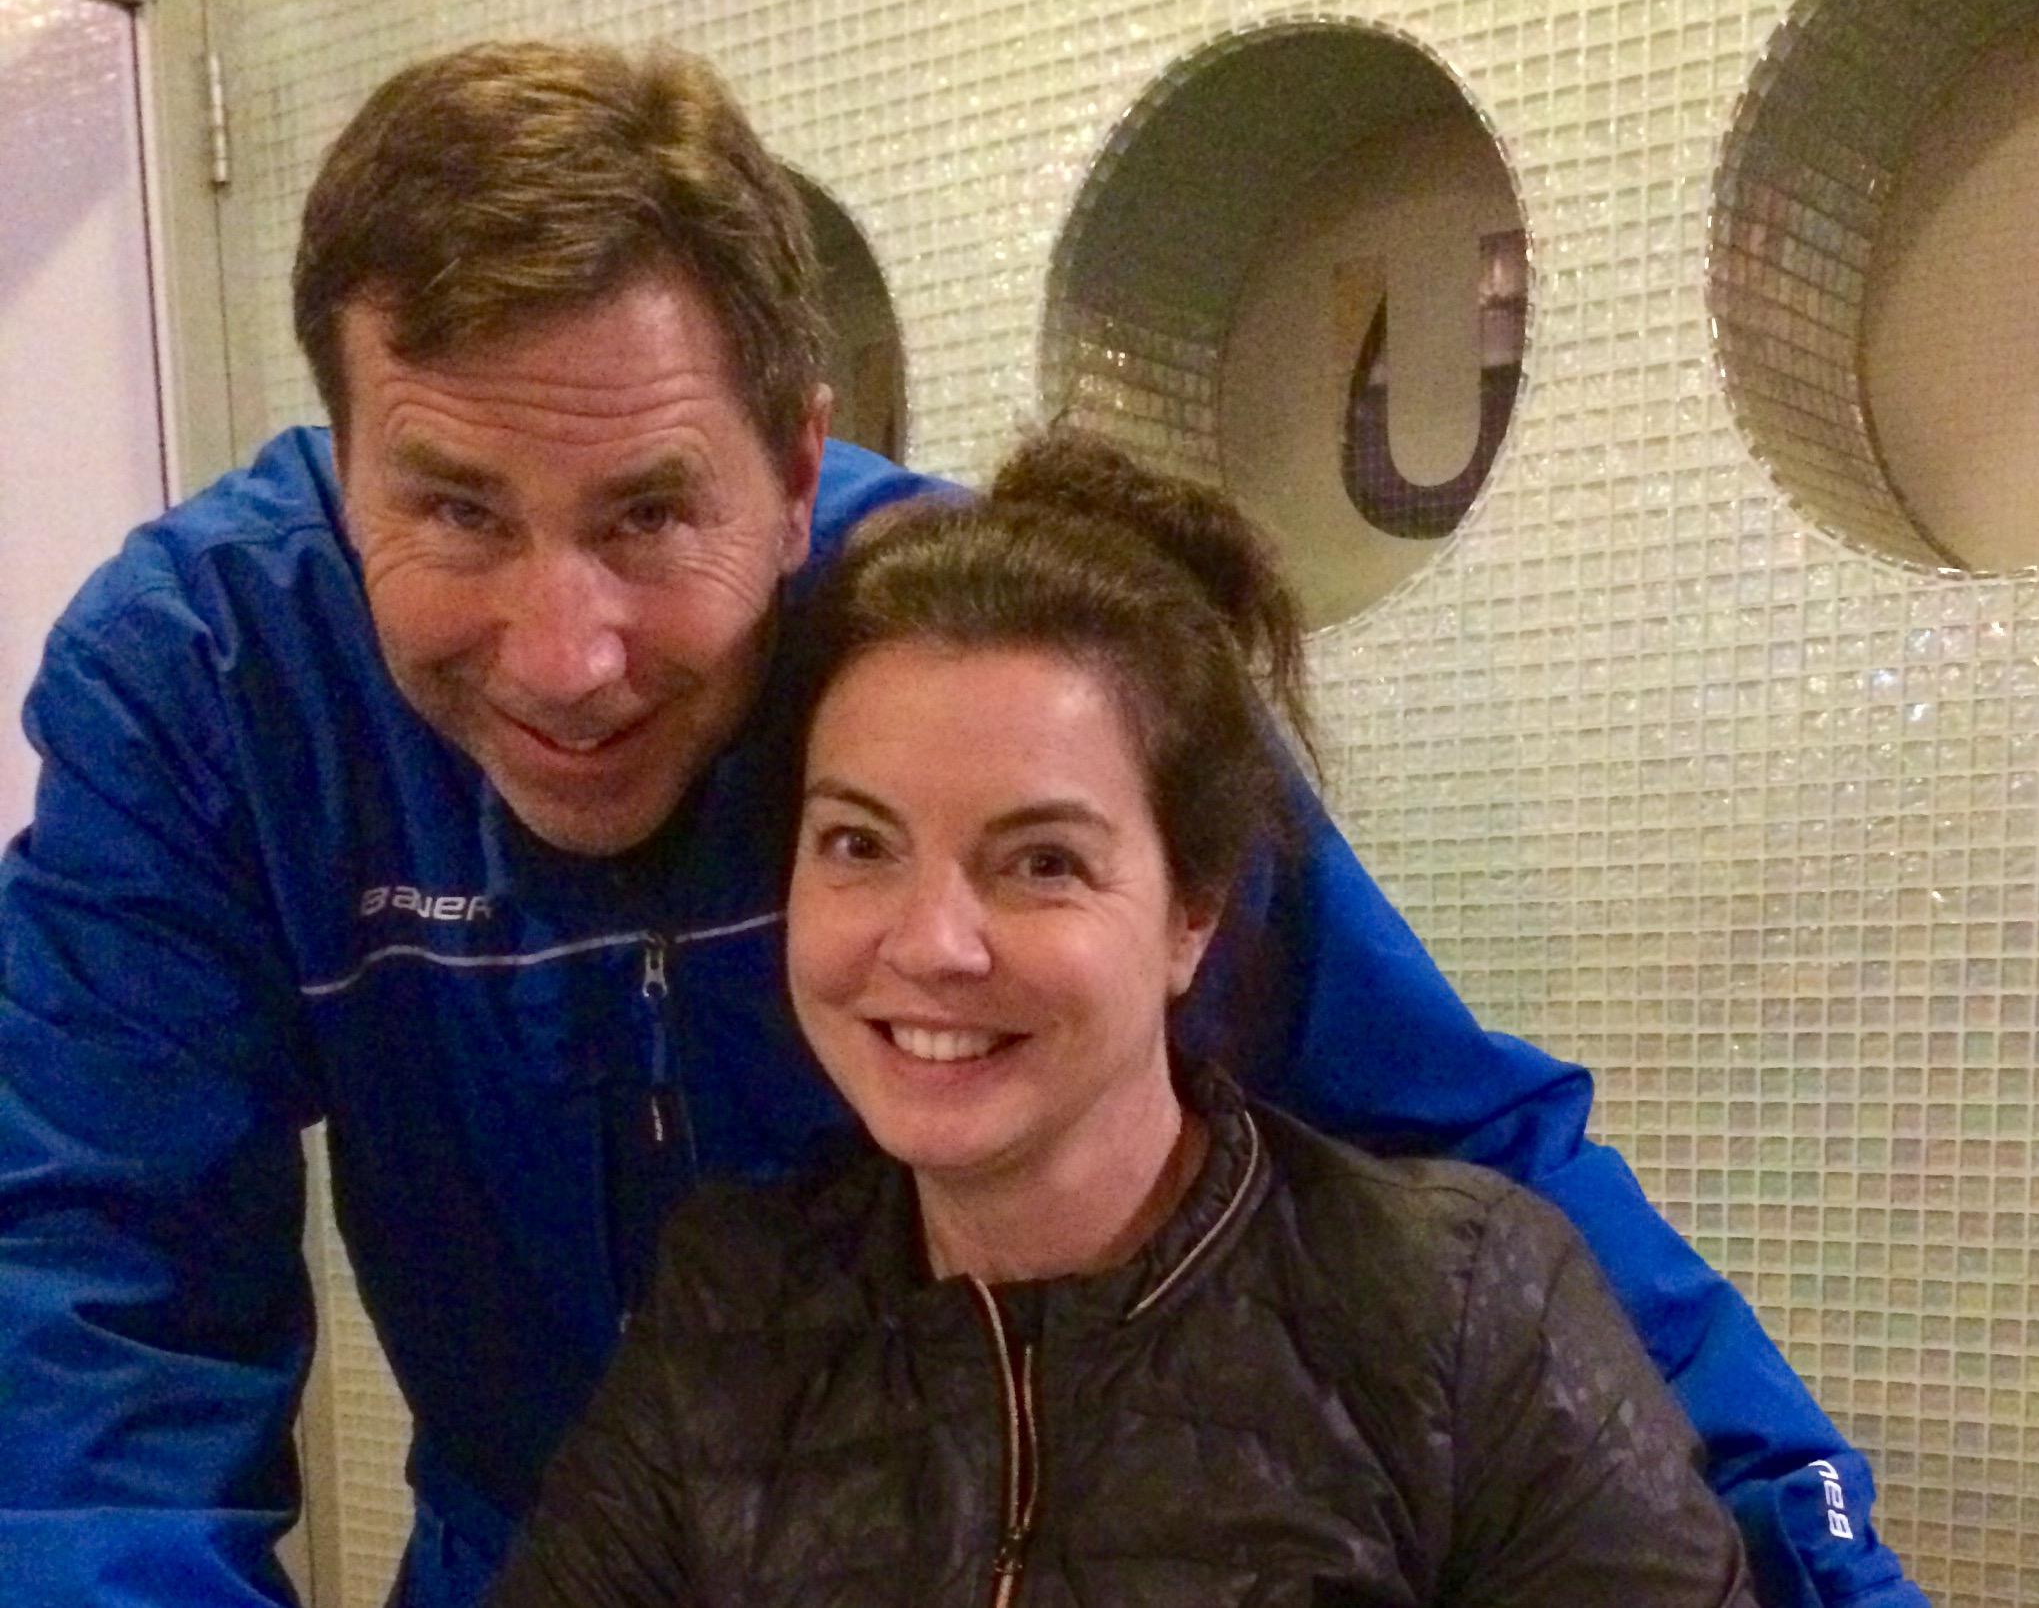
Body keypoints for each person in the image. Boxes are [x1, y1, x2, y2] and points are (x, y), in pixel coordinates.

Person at [0, 40, 1924, 1608]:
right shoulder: (205, 687)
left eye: (651, 514)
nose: (567, 657)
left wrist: (1826, 1562)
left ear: (795, 463)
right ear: (338, 458)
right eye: (454, 511)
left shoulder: (973, 656)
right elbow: (95, 1304)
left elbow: (1444, 1136)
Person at [488, 429, 1765, 1608]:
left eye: (1041, 862)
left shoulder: (1464, 1314)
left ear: (1190, 912)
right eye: (859, 843)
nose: (930, 943)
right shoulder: (730, 1312)